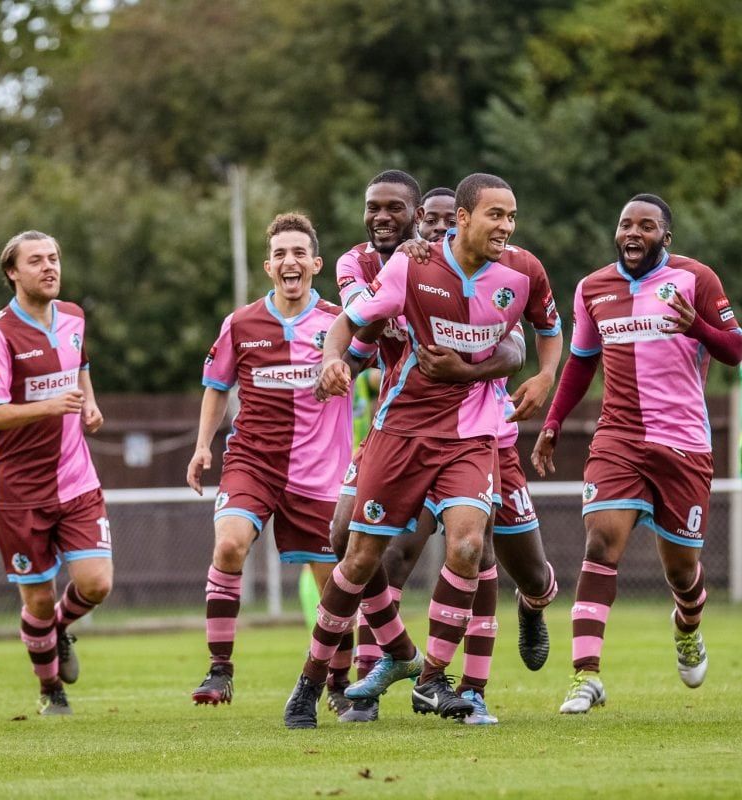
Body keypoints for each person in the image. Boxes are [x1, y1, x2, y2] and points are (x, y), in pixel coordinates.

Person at [284, 172, 555, 729]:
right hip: (402, 432)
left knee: (473, 547)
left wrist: (545, 375)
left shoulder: (523, 271)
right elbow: (352, 321)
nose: (505, 226)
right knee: (358, 555)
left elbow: (541, 330)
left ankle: (435, 679)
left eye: (511, 216)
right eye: (494, 216)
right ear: (460, 219)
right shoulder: (404, 266)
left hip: (477, 436)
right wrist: (332, 360)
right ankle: (315, 683)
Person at [532, 194, 742, 714]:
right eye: (625, 224)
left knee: (680, 571)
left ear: (665, 238)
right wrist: (554, 422)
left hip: (683, 445)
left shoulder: (697, 279)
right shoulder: (592, 289)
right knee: (601, 542)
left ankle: (688, 622)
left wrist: (696, 325)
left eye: (646, 226)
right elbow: (581, 363)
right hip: (619, 439)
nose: (633, 232)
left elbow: (737, 350)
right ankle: (585, 675)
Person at [187, 213, 352, 706]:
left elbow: (383, 364)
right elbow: (217, 388)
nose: (290, 261)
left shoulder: (339, 324)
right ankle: (219, 671)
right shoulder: (241, 324)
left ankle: (341, 686)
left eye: (299, 252)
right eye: (281, 253)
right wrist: (202, 446)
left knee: (334, 587)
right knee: (229, 546)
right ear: (268, 266)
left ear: (316, 263)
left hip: (320, 472)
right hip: (252, 462)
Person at [0, 230, 111, 716]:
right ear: (13, 272)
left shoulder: (73, 315)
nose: (50, 267)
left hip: (76, 478)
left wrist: (88, 402)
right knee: (36, 600)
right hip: (18, 490)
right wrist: (52, 406)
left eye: (54, 257)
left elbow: (81, 363)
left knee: (96, 583)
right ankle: (51, 691)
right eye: (36, 261)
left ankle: (58, 628)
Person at [323, 169, 423, 713]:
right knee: (348, 540)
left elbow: (507, 342)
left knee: (477, 560)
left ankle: (466, 686)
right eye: (373, 207)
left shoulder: (449, 265)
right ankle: (395, 657)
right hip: (394, 423)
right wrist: (335, 361)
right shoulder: (353, 263)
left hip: (471, 428)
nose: (381, 216)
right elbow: (365, 321)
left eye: (394, 208)